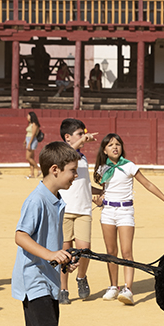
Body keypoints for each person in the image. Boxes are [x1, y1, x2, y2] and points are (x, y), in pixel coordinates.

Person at [0, 142, 80, 326]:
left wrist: (63, 258)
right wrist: (51, 254)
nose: (75, 176)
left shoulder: (56, 201)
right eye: (72, 171)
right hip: (34, 278)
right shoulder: (36, 199)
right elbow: (21, 236)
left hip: (49, 276)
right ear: (55, 170)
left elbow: (50, 241)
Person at [93, 133, 164, 305]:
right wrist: (98, 199)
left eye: (117, 144)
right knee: (110, 251)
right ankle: (113, 286)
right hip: (107, 210)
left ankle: (128, 289)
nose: (115, 147)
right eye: (110, 145)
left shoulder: (129, 166)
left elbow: (147, 184)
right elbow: (103, 191)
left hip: (125, 211)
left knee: (127, 251)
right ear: (105, 150)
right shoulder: (102, 168)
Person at [58, 118, 98, 304]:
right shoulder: (61, 154)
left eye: (83, 133)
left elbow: (85, 184)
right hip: (64, 210)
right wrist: (83, 140)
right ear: (67, 137)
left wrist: (101, 191)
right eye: (79, 134)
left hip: (83, 209)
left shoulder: (83, 158)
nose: (84, 137)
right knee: (64, 253)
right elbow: (68, 155)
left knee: (85, 251)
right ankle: (63, 288)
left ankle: (81, 277)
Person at [25, 111, 43, 179]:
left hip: (32, 141)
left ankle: (39, 169)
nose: (27, 117)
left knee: (28, 157)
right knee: (31, 158)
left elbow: (33, 134)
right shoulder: (31, 124)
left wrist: (29, 143)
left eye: (28, 116)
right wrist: (25, 141)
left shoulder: (34, 124)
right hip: (29, 140)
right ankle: (32, 174)